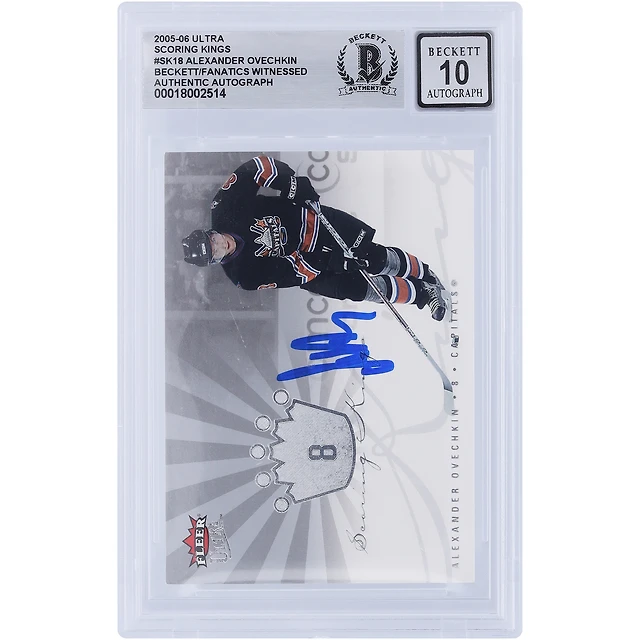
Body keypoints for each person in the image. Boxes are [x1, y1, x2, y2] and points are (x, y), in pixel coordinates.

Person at [182, 156, 447, 320]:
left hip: (313, 222)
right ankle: (423, 296)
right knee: (357, 288)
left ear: (210, 231)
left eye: (213, 240)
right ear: (215, 261)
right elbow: (290, 271)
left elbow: (257, 167)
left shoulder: (223, 207)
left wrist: (291, 185)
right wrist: (334, 262)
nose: (221, 245)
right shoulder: (243, 276)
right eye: (215, 252)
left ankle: (425, 274)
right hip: (309, 268)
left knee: (372, 257)